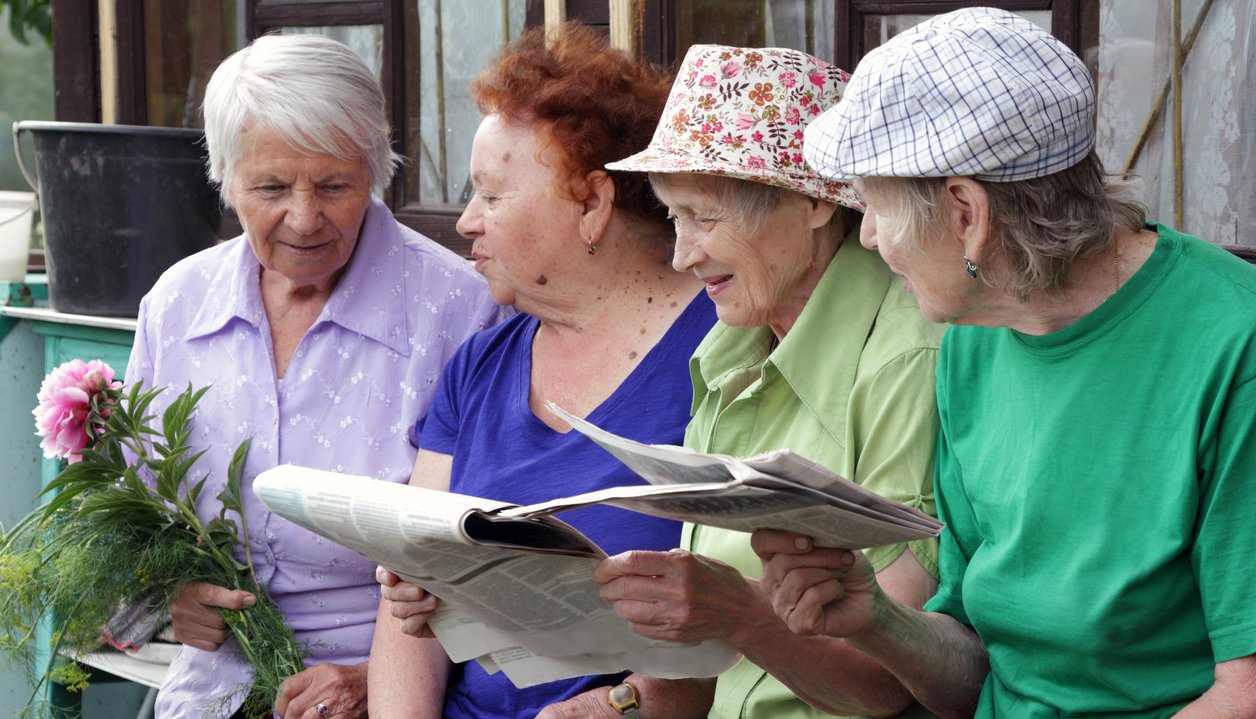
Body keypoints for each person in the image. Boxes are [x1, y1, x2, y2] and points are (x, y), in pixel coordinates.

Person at [755, 7, 1256, 718]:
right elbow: (977, 670)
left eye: (873, 205)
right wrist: (879, 618)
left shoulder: (1238, 338)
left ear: (966, 212)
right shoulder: (971, 337)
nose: (869, 236)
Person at [125, 33, 505, 719]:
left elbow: (503, 561)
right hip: (208, 692)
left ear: (375, 169)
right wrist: (170, 596)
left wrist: (374, 678)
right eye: (270, 187)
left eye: (334, 185)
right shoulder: (178, 305)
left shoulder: (462, 310)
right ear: (224, 176)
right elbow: (136, 514)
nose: (303, 218)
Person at [366, 24, 719, 718]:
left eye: (492, 196)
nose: (466, 220)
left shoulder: (721, 346)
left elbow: (747, 616)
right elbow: (408, 615)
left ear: (592, 203)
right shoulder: (480, 364)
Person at [589, 44, 946, 718]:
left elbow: (888, 683)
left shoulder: (905, 358)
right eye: (673, 216)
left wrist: (743, 614)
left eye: (705, 216)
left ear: (812, 202)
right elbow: (715, 651)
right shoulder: (731, 344)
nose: (681, 254)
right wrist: (623, 700)